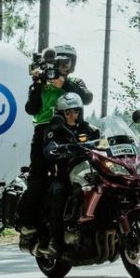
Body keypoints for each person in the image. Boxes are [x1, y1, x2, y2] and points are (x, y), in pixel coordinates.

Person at [18, 44, 93, 241]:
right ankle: (27, 221)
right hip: (44, 129)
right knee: (37, 175)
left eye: (69, 61)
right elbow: (31, 108)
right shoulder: (41, 80)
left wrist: (64, 83)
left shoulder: (75, 80)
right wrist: (36, 83)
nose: (65, 65)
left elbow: (87, 98)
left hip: (74, 129)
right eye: (62, 61)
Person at [40, 92, 100, 257]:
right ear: (61, 114)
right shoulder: (54, 130)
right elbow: (48, 148)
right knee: (59, 192)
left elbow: (103, 142)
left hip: (90, 172)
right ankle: (56, 242)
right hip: (65, 176)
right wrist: (55, 149)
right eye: (68, 112)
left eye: (75, 111)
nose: (73, 115)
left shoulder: (88, 128)